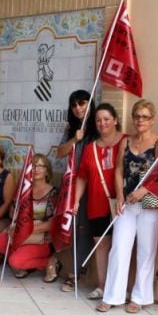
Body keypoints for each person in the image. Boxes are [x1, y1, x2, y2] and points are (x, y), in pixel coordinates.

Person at [96, 100, 158, 313]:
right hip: (127, 203)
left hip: (150, 204)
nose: (140, 120)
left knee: (146, 250)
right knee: (118, 247)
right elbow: (118, 170)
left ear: (152, 119)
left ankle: (139, 297)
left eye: (145, 116)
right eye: (137, 116)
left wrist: (142, 191)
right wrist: (119, 195)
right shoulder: (126, 142)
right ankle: (112, 295)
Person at [73, 103, 123, 300]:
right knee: (101, 245)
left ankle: (123, 287)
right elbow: (82, 177)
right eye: (98, 120)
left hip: (122, 202)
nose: (102, 123)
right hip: (97, 203)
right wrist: (76, 201)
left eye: (106, 119)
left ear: (115, 120)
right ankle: (103, 286)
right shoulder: (90, 148)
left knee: (123, 245)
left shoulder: (126, 141)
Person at [0, 154, 59, 281]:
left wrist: (25, 230)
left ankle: (49, 262)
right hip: (21, 235)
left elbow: (52, 224)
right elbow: (13, 215)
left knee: (15, 262)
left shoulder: (53, 193)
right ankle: (26, 261)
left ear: (47, 171)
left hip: (41, 239)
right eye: (33, 166)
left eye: (40, 166)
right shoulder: (24, 190)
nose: (36, 169)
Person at [55, 90, 97, 292]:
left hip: (94, 186)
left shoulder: (99, 125)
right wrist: (75, 139)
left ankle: (76, 273)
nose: (78, 108)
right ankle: (75, 268)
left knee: (86, 230)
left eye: (82, 103)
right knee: (73, 228)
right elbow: (59, 152)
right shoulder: (72, 128)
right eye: (74, 105)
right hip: (74, 185)